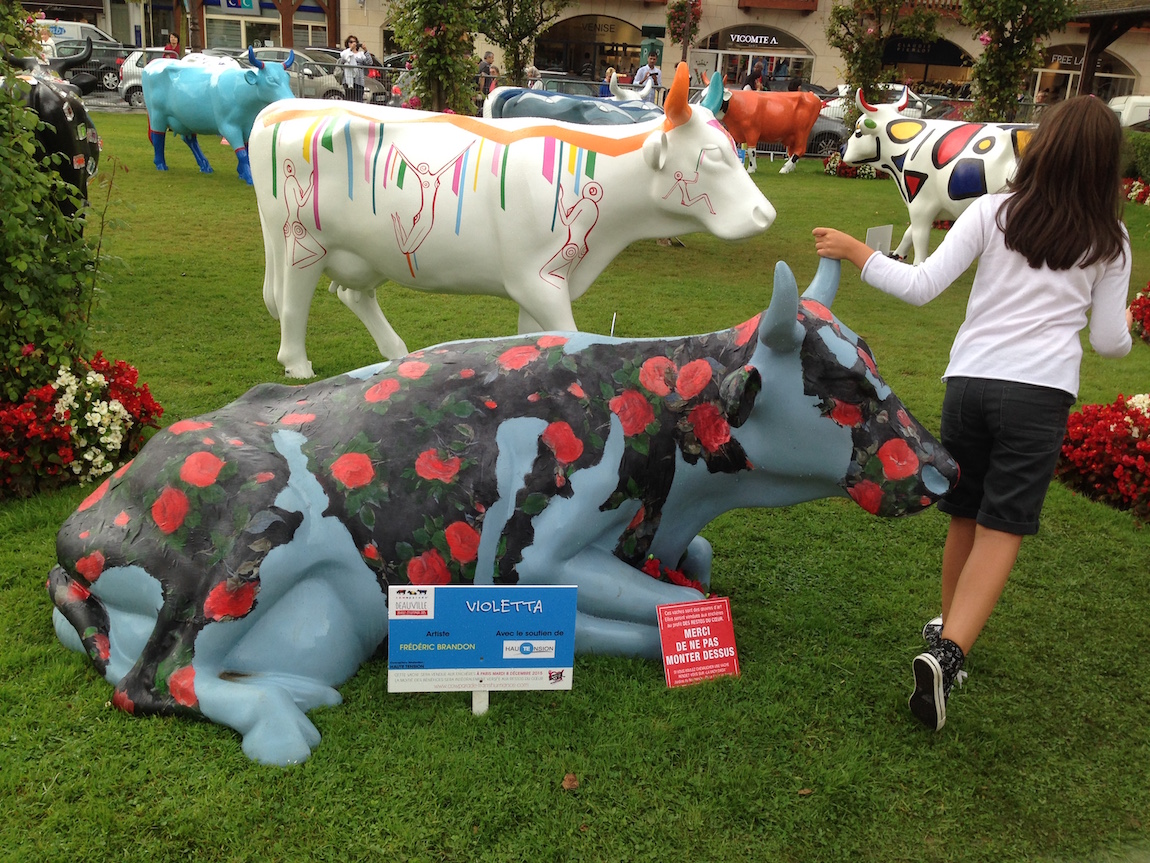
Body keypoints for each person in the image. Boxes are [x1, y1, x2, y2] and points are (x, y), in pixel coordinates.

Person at [811, 96, 1134, 732]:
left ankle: (947, 631)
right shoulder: (1110, 240)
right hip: (1039, 395)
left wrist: (855, 250)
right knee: (1002, 526)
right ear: (1105, 165)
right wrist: (1122, 325)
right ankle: (949, 651)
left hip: (969, 384)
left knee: (965, 510)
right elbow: (1107, 342)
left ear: (1043, 147)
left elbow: (920, 285)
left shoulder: (992, 211)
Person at [340, 35, 366, 102]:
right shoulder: (346, 53)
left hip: (359, 80)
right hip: (348, 80)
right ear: (347, 43)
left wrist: (365, 50)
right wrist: (350, 49)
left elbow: (369, 62)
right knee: (349, 100)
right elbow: (341, 61)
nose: (353, 43)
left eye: (354, 42)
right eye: (351, 42)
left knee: (359, 100)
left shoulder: (361, 54)